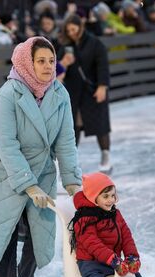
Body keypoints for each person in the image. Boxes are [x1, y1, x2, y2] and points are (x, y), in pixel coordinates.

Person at [0, 36, 82, 277]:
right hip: (4, 172)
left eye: (51, 60)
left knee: (39, 231)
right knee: (5, 237)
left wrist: (72, 181)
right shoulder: (9, 94)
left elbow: (66, 140)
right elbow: (6, 144)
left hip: (42, 170)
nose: (48, 66)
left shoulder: (60, 94)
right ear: (27, 63)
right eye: (41, 61)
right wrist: (27, 185)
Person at [60, 14, 113, 173]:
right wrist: (63, 63)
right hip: (74, 93)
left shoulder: (95, 43)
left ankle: (106, 156)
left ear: (80, 27)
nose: (71, 33)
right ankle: (72, 162)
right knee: (73, 127)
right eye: (68, 30)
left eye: (73, 29)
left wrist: (102, 86)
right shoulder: (65, 46)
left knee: (100, 125)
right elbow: (55, 70)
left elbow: (102, 66)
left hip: (93, 91)